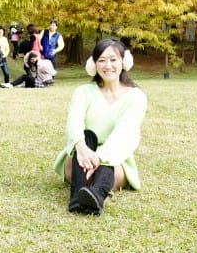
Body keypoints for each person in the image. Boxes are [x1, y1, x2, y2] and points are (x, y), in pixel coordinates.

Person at [53, 38, 148, 216]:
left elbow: (124, 134)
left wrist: (99, 157)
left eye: (113, 59)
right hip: (81, 156)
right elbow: (74, 122)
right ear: (94, 64)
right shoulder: (82, 92)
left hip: (114, 160)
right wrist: (81, 148)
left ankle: (97, 195)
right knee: (87, 135)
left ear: (124, 62)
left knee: (107, 167)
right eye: (102, 60)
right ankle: (77, 197)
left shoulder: (136, 97)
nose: (107, 65)